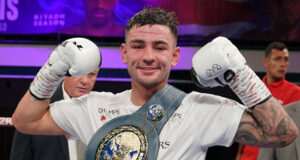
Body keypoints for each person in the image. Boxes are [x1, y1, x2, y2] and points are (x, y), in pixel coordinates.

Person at [12, 8, 298, 160]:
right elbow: (25, 122)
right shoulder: (93, 106)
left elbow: (282, 135)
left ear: (174, 56)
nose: (148, 56)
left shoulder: (202, 109)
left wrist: (240, 74)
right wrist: (53, 68)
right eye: (138, 46)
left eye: (159, 47)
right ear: (124, 53)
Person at [10, 69, 99, 160]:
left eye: (92, 74)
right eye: (79, 73)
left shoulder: (101, 108)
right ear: (65, 72)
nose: (85, 81)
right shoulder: (37, 108)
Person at [236, 42, 300, 160]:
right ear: (266, 62)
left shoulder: (297, 93)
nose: (282, 64)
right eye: (277, 59)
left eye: (286, 59)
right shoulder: (251, 90)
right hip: (248, 156)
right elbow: (245, 128)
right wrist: (239, 156)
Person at [60, 0, 124, 36]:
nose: (99, 5)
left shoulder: (129, 35)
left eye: (106, 0)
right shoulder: (65, 34)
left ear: (116, 1)